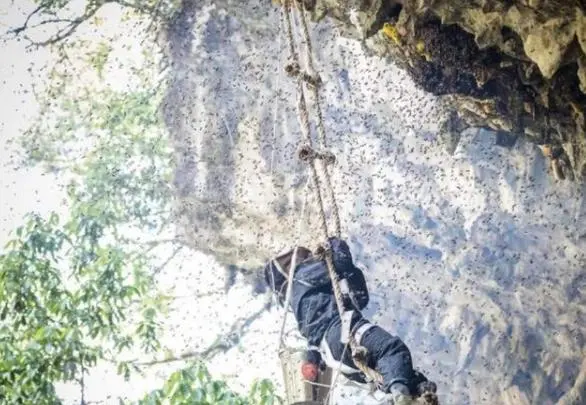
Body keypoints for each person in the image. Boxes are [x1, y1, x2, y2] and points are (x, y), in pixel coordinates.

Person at [264, 237, 438, 405]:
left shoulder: (298, 302)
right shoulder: (305, 273)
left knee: (408, 376)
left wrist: (312, 361)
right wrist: (334, 243)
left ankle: (412, 394)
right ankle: (402, 400)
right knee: (391, 350)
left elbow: (358, 299)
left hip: (335, 353)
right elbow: (343, 263)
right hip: (344, 330)